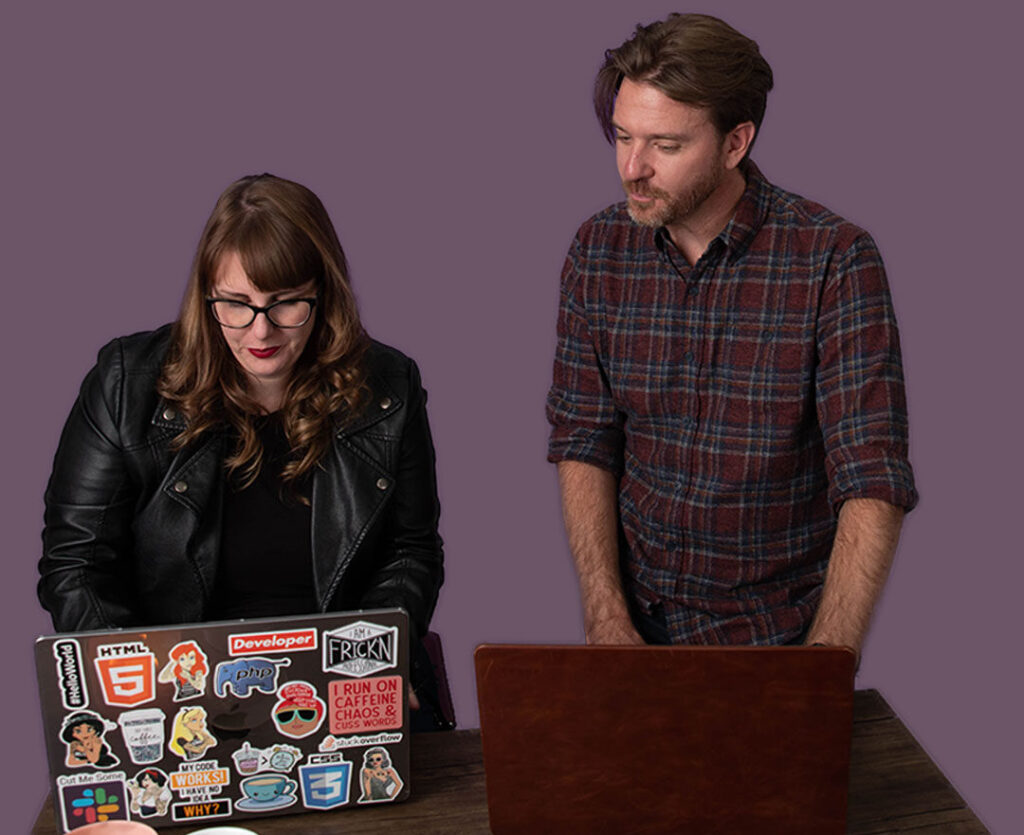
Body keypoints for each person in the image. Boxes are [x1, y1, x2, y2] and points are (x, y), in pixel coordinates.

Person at [546, 14, 917, 657]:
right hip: (637, 625)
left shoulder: (834, 259)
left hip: (778, 634)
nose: (631, 169)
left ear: (735, 142)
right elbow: (584, 436)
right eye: (622, 136)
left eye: (664, 146)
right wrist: (606, 619)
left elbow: (871, 478)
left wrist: (823, 668)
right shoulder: (597, 250)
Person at [38, 174, 444, 697]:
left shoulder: (389, 386)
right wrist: (137, 692)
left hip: (338, 681)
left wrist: (371, 663)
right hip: (176, 689)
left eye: (286, 302)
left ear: (324, 295)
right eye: (235, 302)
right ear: (205, 295)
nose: (260, 331)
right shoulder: (125, 385)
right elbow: (76, 564)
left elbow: (411, 552)